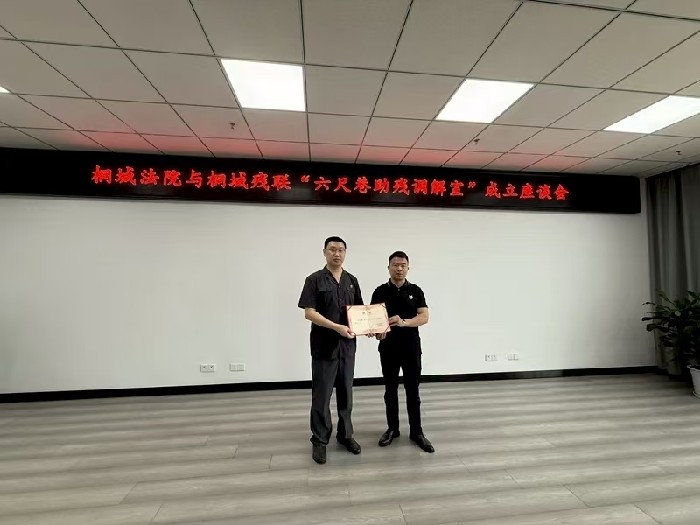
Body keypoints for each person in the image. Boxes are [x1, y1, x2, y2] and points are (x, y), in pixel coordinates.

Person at [298, 236, 364, 464]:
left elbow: (359, 313)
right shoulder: (314, 280)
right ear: (324, 252)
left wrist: (371, 328)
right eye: (332, 249)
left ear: (345, 253)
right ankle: (319, 439)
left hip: (347, 347)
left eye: (341, 250)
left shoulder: (352, 280)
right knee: (322, 395)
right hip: (324, 346)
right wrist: (336, 327)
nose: (337, 254)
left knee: (346, 393)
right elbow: (309, 313)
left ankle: (345, 435)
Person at [371, 251, 434, 453]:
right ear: (388, 267)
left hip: (411, 348)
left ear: (408, 268)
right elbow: (373, 321)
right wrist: (376, 332)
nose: (399, 268)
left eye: (403, 265)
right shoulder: (380, 291)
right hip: (388, 348)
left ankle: (417, 431)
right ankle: (393, 429)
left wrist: (403, 322)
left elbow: (424, 317)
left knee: (413, 391)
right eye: (395, 265)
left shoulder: (415, 290)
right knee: (390, 390)